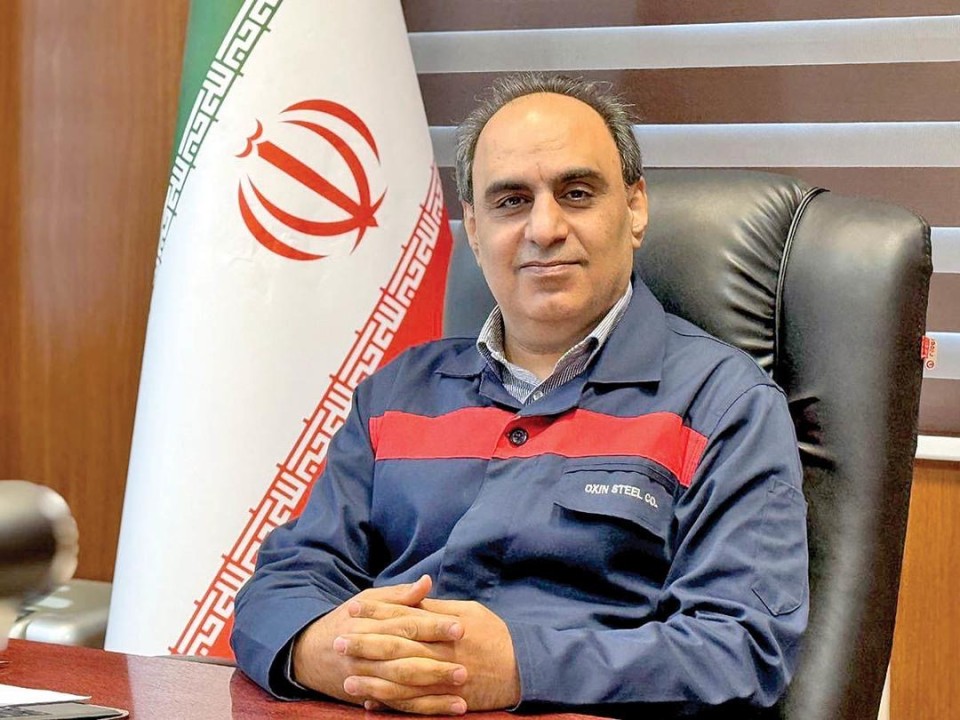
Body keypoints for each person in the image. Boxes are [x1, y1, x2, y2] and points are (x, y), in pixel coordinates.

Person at [231, 73, 808, 718]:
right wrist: (323, 650)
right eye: (511, 201)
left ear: (635, 208)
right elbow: (283, 584)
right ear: (475, 230)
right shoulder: (395, 395)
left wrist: (519, 667)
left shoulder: (725, 405)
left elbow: (740, 651)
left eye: (577, 193)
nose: (545, 227)